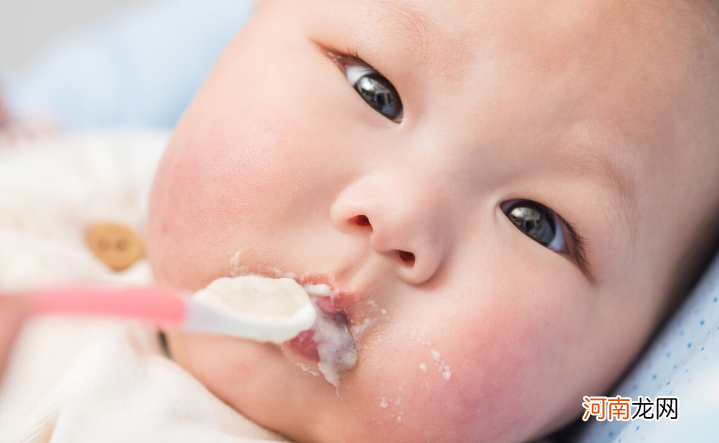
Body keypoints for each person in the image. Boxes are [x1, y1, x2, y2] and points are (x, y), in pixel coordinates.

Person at [2, 0, 719, 442]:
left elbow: (646, 409)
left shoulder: (608, 404)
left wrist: (626, 409)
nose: (397, 217)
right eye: (374, 90)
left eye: (534, 223)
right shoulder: (87, 156)